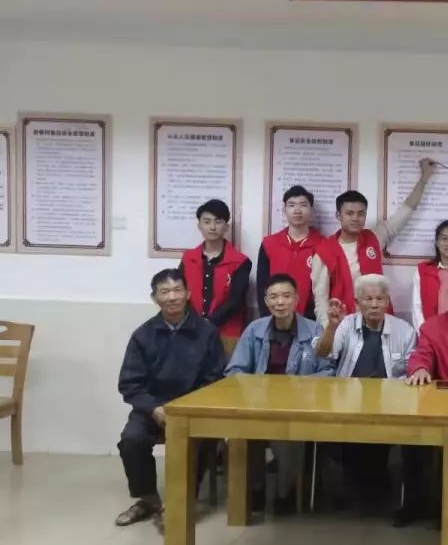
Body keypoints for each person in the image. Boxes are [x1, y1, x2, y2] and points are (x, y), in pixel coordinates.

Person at [115, 269, 225, 526]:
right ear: (155, 298)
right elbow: (130, 384)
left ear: (188, 294)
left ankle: (182, 502)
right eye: (164, 292)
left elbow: (215, 379)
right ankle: (149, 500)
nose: (172, 297)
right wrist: (154, 408)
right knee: (131, 440)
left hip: (194, 408)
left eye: (177, 290)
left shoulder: (207, 332)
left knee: (200, 440)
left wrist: (186, 408)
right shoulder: (142, 335)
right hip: (153, 408)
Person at [225, 273, 334, 513]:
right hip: (257, 406)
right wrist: (254, 389)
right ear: (266, 301)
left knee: (287, 436)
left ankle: (286, 493)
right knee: (243, 434)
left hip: (297, 407)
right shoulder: (254, 329)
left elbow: (327, 371)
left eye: (286, 296)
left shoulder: (314, 329)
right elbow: (235, 370)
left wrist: (301, 388)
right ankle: (254, 490)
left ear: (296, 299)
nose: (280, 302)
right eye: (274, 297)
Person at [314, 274, 419, 523]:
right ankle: (352, 491)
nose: (374, 304)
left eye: (379, 299)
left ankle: (379, 491)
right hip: (347, 404)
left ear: (388, 301)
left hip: (391, 406)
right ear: (357, 302)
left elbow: (412, 371)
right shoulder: (345, 324)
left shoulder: (404, 331)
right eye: (368, 299)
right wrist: (331, 326)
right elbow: (322, 353)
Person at [313, 158, 437, 327]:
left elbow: (405, 211)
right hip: (344, 325)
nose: (355, 218)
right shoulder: (324, 251)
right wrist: (329, 333)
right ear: (338, 216)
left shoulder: (374, 237)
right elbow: (321, 302)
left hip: (380, 322)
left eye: (360, 213)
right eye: (349, 213)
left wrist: (424, 178)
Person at [180, 199, 250, 357]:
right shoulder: (188, 258)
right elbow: (181, 292)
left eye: (218, 222)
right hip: (191, 331)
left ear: (226, 226)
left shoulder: (240, 261)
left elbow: (236, 300)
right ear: (199, 225)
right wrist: (194, 322)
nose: (212, 227)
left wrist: (208, 324)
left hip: (227, 334)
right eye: (207, 221)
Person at [257, 185, 322, 320]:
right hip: (274, 317)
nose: (297, 210)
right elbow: (261, 285)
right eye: (291, 205)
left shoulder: (323, 245)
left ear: (311, 210)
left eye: (303, 205)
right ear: (284, 210)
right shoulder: (269, 243)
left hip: (311, 320)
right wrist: (266, 319)